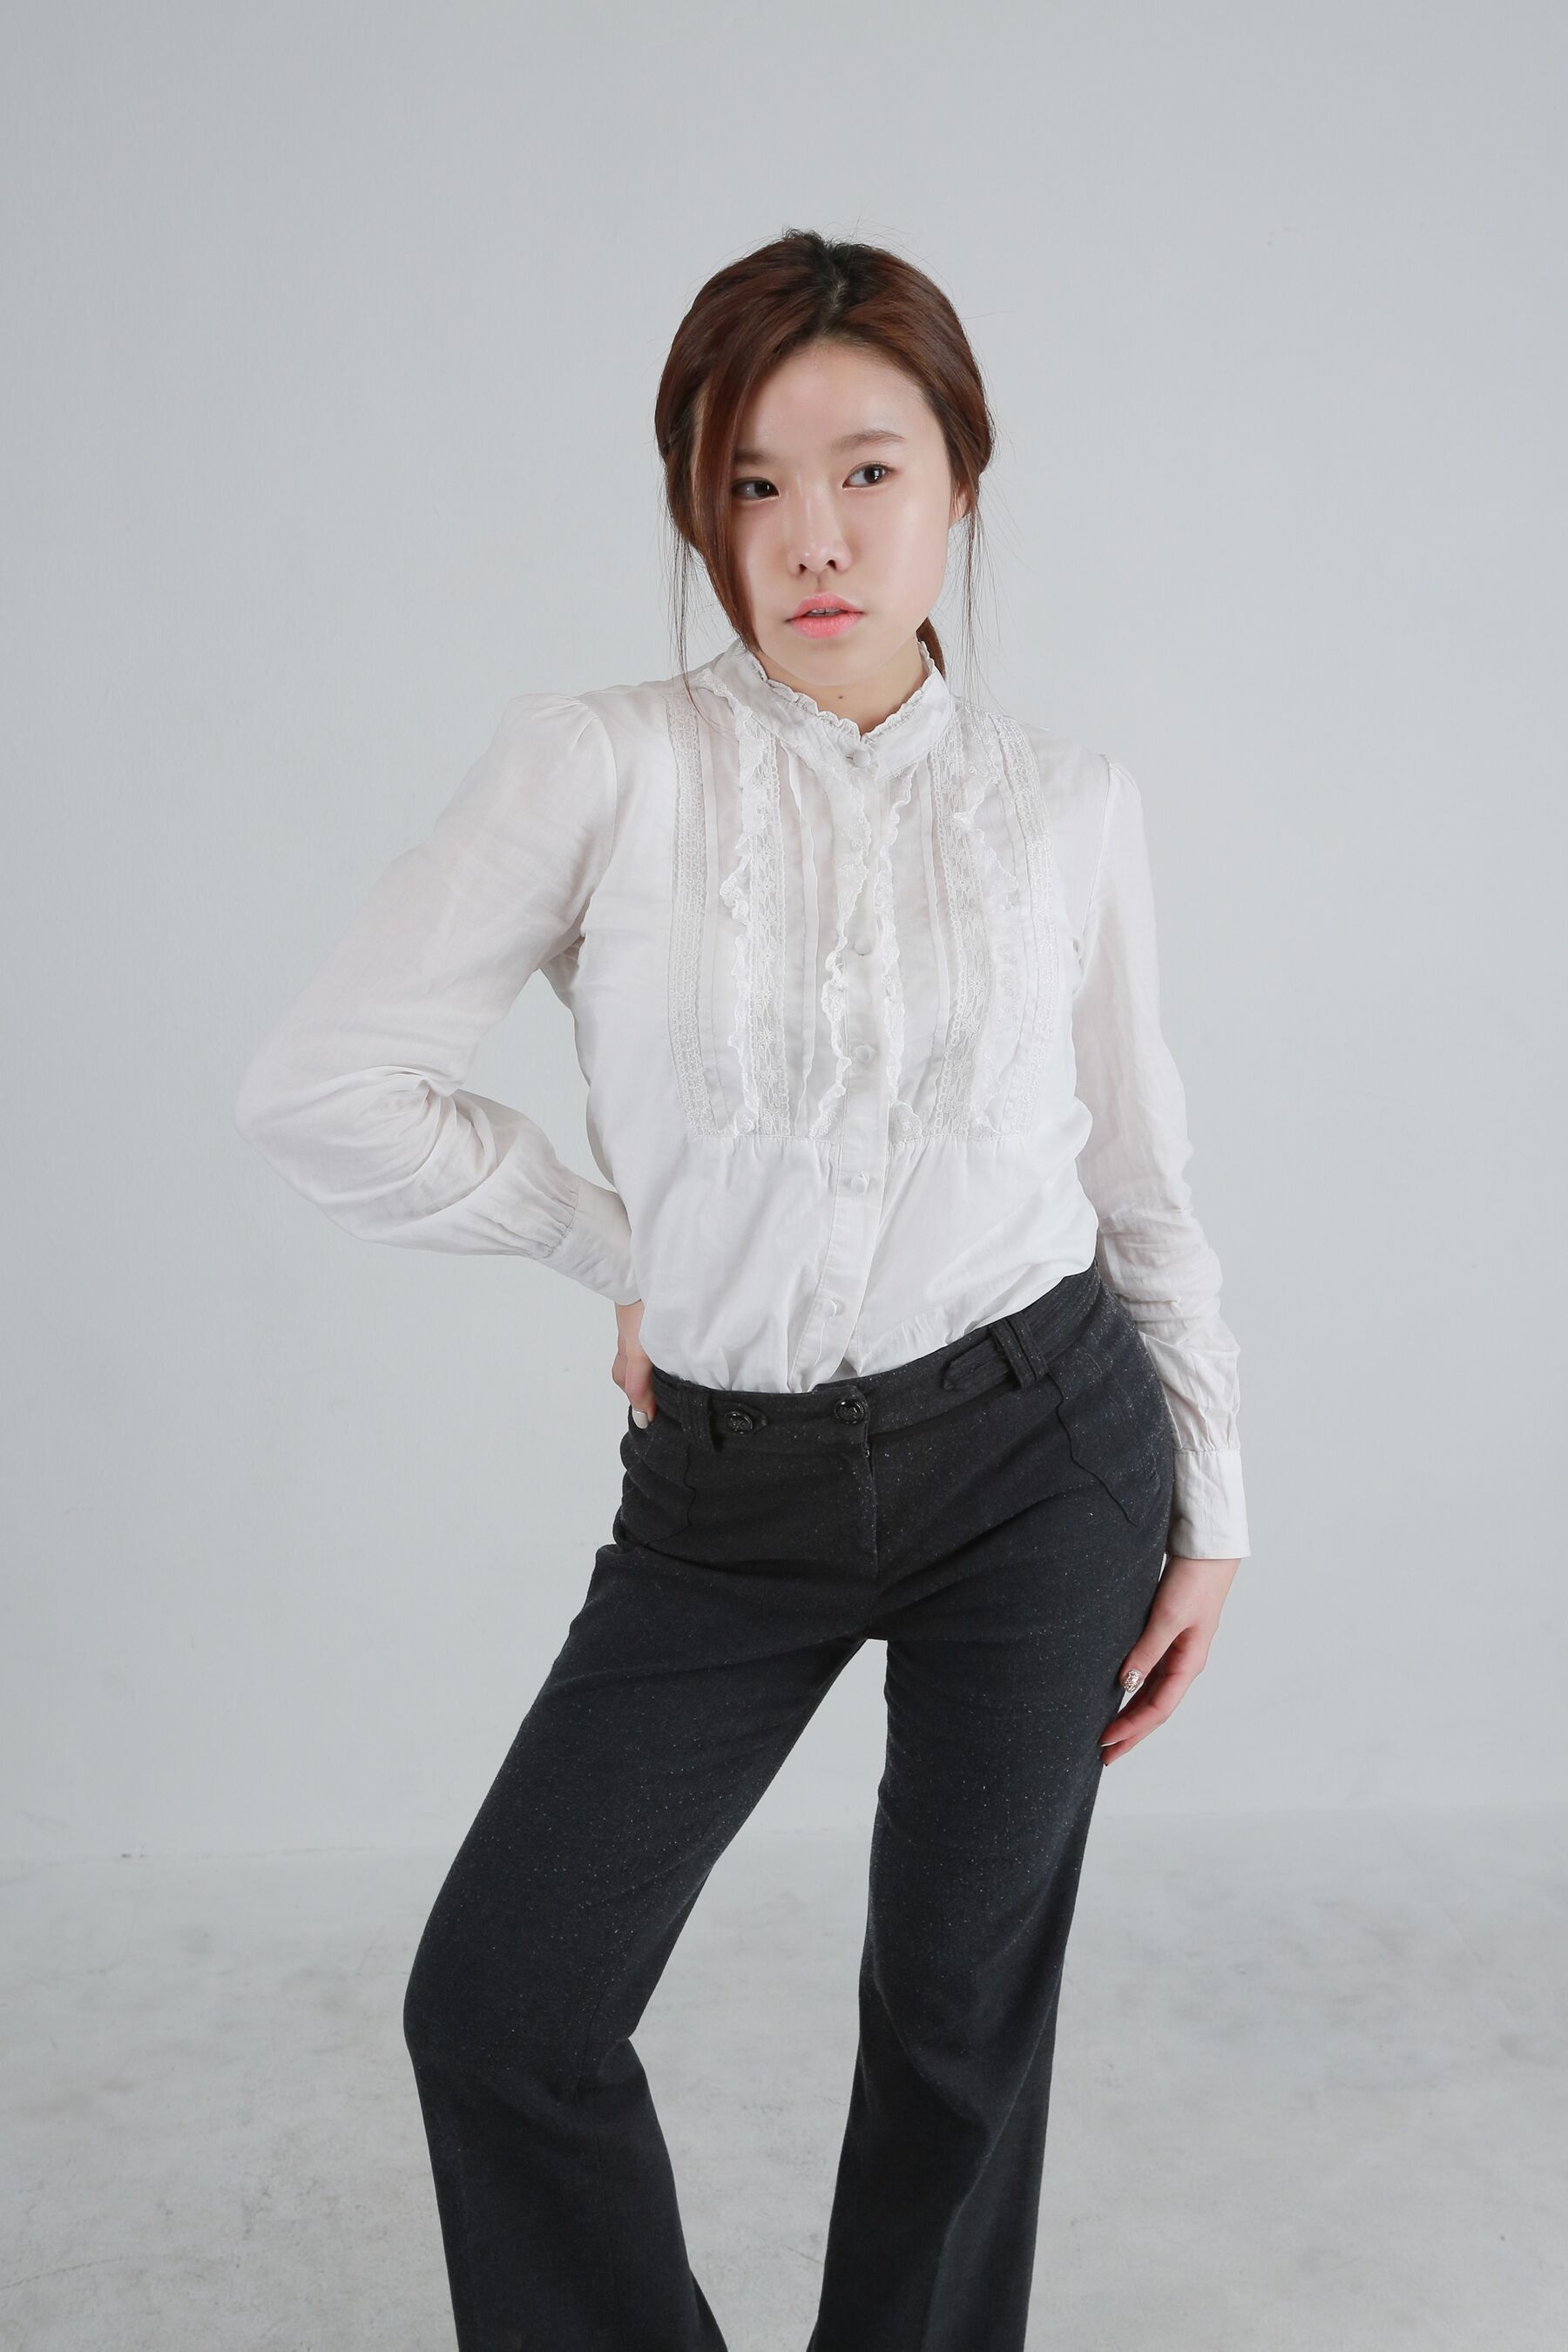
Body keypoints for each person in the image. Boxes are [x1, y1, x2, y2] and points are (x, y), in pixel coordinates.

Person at [233, 228, 1250, 2352]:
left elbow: (1138, 1174)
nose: (812, 538)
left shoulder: (1068, 808)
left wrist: (1214, 1503)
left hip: (1044, 1456)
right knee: (502, 2008)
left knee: (956, 2033)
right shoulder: (602, 764)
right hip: (727, 1493)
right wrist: (624, 1248)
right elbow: (327, 1087)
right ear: (701, 508)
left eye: (869, 472)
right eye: (753, 485)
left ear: (961, 481)